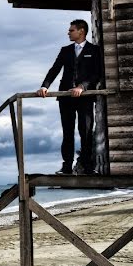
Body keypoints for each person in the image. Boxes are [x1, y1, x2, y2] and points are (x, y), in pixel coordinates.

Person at [36, 19, 103, 175]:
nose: (68, 32)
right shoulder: (65, 50)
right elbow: (54, 69)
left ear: (81, 31)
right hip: (65, 97)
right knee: (67, 132)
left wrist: (82, 87)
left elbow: (97, 74)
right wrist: (45, 86)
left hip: (85, 97)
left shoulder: (94, 50)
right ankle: (66, 167)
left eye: (71, 30)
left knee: (85, 132)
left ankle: (87, 167)